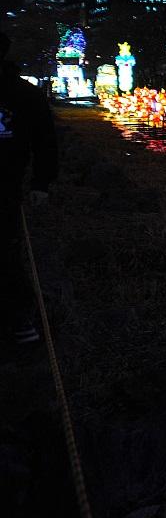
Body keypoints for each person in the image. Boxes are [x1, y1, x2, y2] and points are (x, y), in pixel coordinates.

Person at [0, 32, 57, 344]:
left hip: (6, 184)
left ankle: (20, 315)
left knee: (7, 252)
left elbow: (45, 141)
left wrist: (40, 183)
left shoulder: (24, 94)